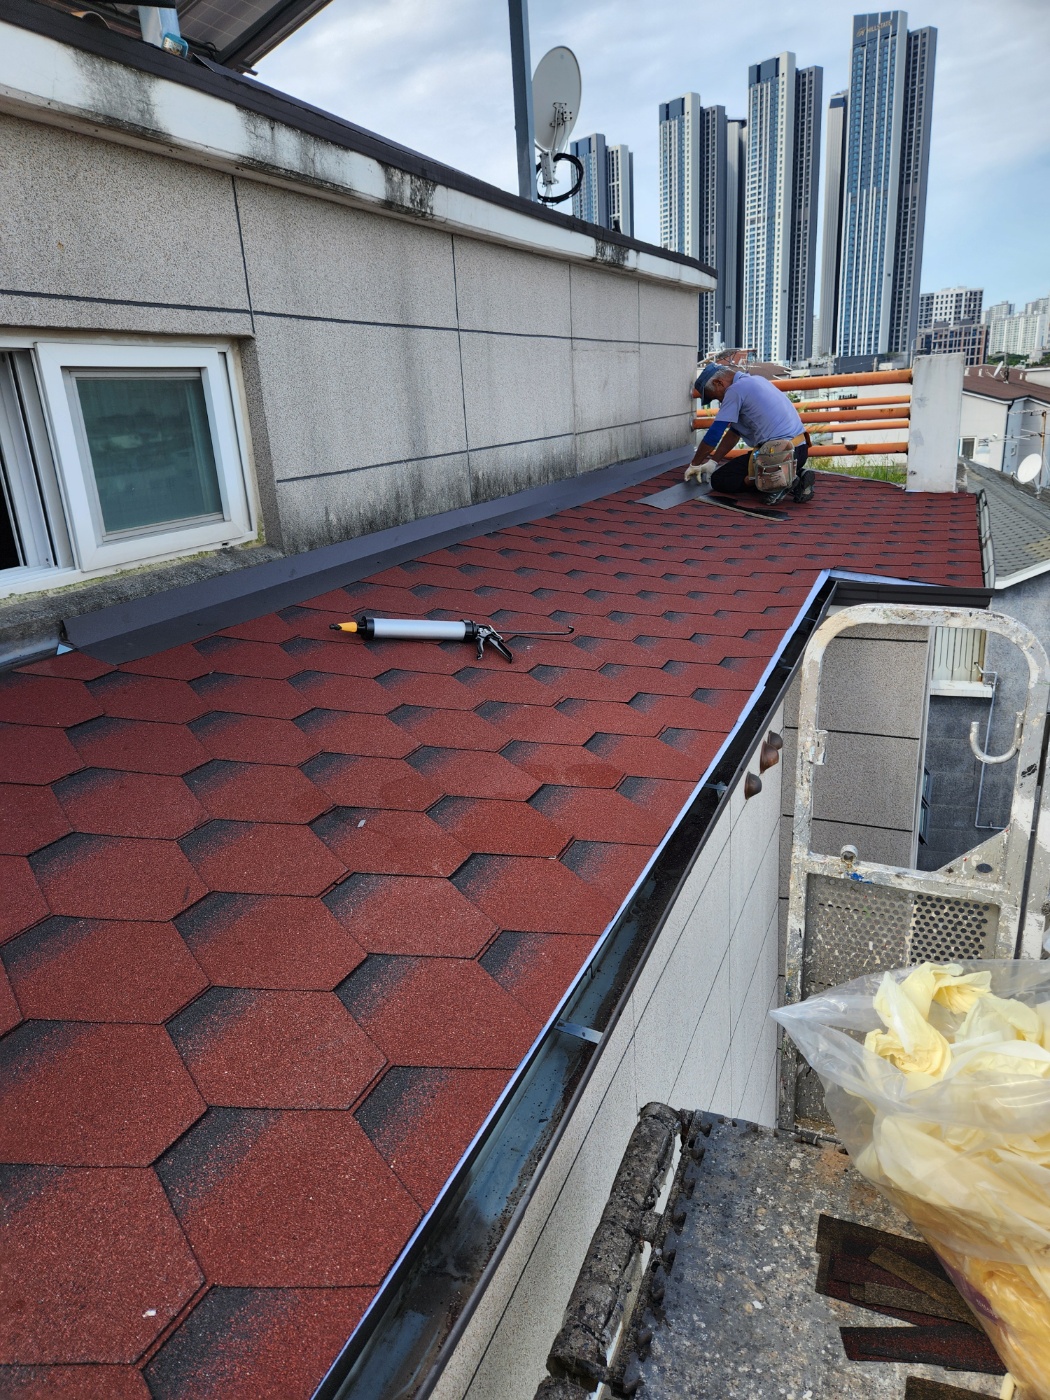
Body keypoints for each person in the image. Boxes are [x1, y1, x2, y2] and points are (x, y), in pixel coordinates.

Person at [685, 363, 816, 504]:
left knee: (720, 479)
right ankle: (795, 473)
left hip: (778, 455)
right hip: (799, 451)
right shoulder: (757, 380)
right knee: (739, 468)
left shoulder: (734, 391)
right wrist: (713, 462)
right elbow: (734, 433)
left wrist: (695, 464)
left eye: (716, 397)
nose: (720, 401)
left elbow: (714, 434)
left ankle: (775, 481)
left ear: (718, 383)